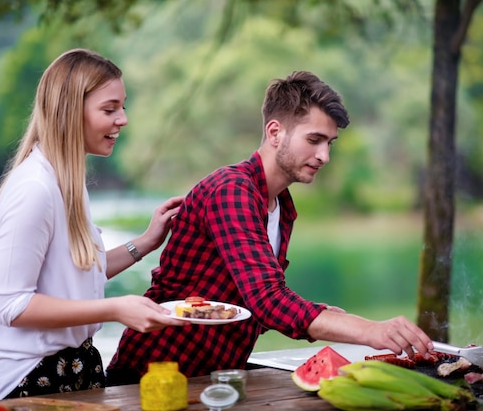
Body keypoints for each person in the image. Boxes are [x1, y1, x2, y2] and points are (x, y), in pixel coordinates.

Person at [105, 70, 433, 385]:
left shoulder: (282, 207)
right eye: (315, 140)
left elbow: (248, 306)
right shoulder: (232, 190)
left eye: (329, 143)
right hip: (151, 378)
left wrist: (326, 318)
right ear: (275, 132)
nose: (324, 156)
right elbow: (267, 300)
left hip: (211, 379)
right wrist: (371, 330)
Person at [0, 48, 187, 400]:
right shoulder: (34, 189)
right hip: (26, 382)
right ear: (71, 111)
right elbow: (12, 305)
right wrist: (115, 308)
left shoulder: (66, 183)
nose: (123, 119)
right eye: (109, 109)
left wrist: (145, 242)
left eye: (122, 106)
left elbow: (76, 280)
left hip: (75, 371)